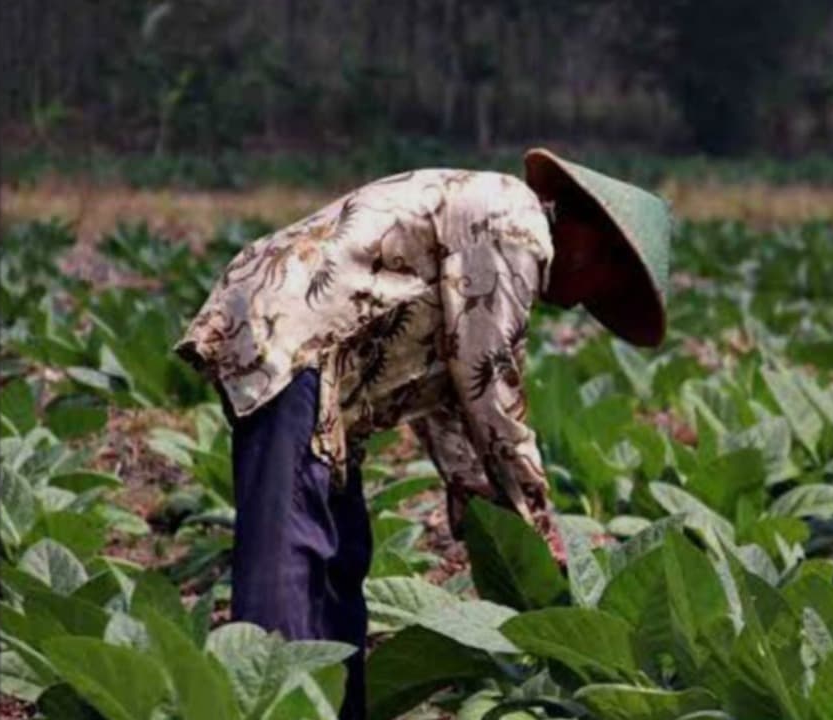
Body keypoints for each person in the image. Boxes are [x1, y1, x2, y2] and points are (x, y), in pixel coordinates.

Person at [172, 147, 673, 720]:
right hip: (293, 341)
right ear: (591, 236)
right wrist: (537, 518)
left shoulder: (492, 233)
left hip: (318, 368)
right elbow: (491, 383)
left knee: (341, 555)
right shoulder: (518, 224)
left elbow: (453, 401)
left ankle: (339, 710)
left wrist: (492, 518)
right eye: (600, 284)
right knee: (291, 549)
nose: (582, 299)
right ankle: (259, 707)